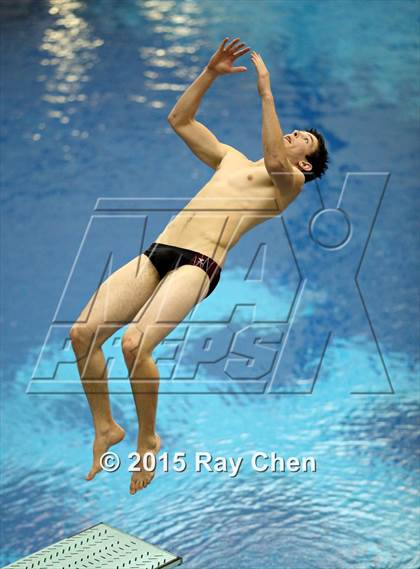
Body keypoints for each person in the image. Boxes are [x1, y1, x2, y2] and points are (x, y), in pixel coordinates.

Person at [70, 37, 329, 495]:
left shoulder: (288, 185)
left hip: (199, 262)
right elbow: (180, 119)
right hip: (159, 252)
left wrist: (265, 92)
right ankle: (106, 426)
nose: (293, 135)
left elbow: (272, 157)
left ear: (305, 165)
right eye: (296, 131)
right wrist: (210, 72)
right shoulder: (229, 160)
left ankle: (148, 437)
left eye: (301, 140)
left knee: (134, 344)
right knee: (82, 335)